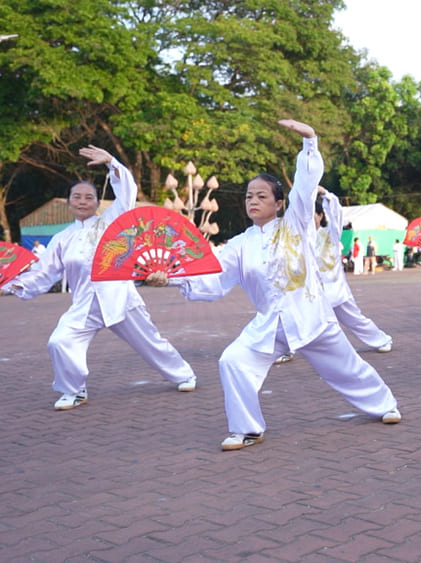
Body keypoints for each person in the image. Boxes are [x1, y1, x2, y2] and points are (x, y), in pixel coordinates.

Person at [149, 119, 400, 450]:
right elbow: (213, 278)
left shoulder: (296, 224)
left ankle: (385, 406)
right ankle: (248, 429)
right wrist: (171, 278)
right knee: (233, 360)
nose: (253, 200)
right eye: (249, 196)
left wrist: (310, 141)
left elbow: (306, 185)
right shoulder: (239, 244)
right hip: (271, 325)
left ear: (279, 202)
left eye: (262, 195)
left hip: (312, 318)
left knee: (348, 369)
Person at [1, 145, 197, 410]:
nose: (82, 201)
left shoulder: (111, 223)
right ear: (69, 201)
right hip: (85, 304)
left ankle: (183, 374)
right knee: (60, 341)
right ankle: (73, 390)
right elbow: (44, 274)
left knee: (151, 342)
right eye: (77, 197)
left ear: (96, 202)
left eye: (88, 197)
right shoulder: (62, 239)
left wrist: (112, 164)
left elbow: (126, 194)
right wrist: (11, 286)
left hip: (120, 298)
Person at [317, 187, 394, 352]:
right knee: (295, 318)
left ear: (320, 216)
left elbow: (336, 211)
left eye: (313, 215)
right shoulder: (299, 237)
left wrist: (324, 193)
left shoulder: (330, 232)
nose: (309, 220)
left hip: (335, 288)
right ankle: (285, 349)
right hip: (312, 291)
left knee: (354, 318)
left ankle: (382, 340)